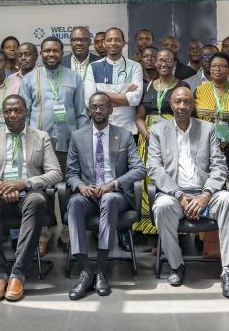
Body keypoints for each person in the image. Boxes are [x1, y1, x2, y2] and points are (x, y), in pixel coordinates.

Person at [147, 86, 229, 299]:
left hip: (205, 194)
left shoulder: (208, 129)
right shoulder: (158, 130)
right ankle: (176, 265)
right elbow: (155, 169)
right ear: (171, 104)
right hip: (174, 195)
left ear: (193, 105)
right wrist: (179, 195)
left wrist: (206, 195)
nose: (182, 106)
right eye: (178, 101)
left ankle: (228, 271)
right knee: (161, 207)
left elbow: (219, 166)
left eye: (187, 101)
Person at [0, 95, 62, 302]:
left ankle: (18, 274)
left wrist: (24, 183)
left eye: (18, 110)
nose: (13, 114)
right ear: (3, 114)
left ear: (26, 112)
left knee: (37, 200)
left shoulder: (41, 137)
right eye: (8, 111)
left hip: (28, 193)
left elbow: (56, 173)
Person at [66, 92, 146, 300]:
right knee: (74, 203)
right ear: (89, 111)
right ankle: (86, 271)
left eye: (103, 106)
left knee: (109, 199)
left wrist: (113, 184)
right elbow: (71, 173)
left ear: (111, 109)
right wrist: (81, 186)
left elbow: (139, 169)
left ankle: (101, 270)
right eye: (94, 107)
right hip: (88, 195)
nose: (98, 110)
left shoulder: (125, 135)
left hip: (116, 195)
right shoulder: (78, 136)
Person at [134, 49, 190, 236]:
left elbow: (188, 115)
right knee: (148, 181)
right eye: (160, 60)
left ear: (174, 63)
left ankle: (175, 228)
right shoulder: (148, 85)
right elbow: (139, 117)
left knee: (172, 178)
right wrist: (148, 136)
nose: (163, 64)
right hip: (148, 140)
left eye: (167, 60)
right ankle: (151, 229)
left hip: (174, 139)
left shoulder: (182, 86)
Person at [20, 37, 88, 172]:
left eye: (55, 51)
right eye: (47, 51)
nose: (51, 54)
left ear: (62, 53)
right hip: (37, 142)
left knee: (66, 179)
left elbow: (81, 113)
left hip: (68, 142)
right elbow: (24, 114)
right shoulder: (29, 79)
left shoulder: (74, 77)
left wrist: (83, 141)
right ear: (41, 54)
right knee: (38, 181)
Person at [83, 27, 143, 137]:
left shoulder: (135, 66)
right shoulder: (93, 67)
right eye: (109, 40)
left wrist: (101, 94)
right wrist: (124, 96)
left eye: (117, 40)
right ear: (104, 43)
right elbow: (89, 101)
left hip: (128, 129)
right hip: (100, 130)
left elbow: (135, 99)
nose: (113, 43)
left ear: (123, 43)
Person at [193, 52, 229, 155]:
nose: (217, 69)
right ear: (210, 68)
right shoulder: (199, 90)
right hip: (202, 143)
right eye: (214, 66)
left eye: (222, 66)